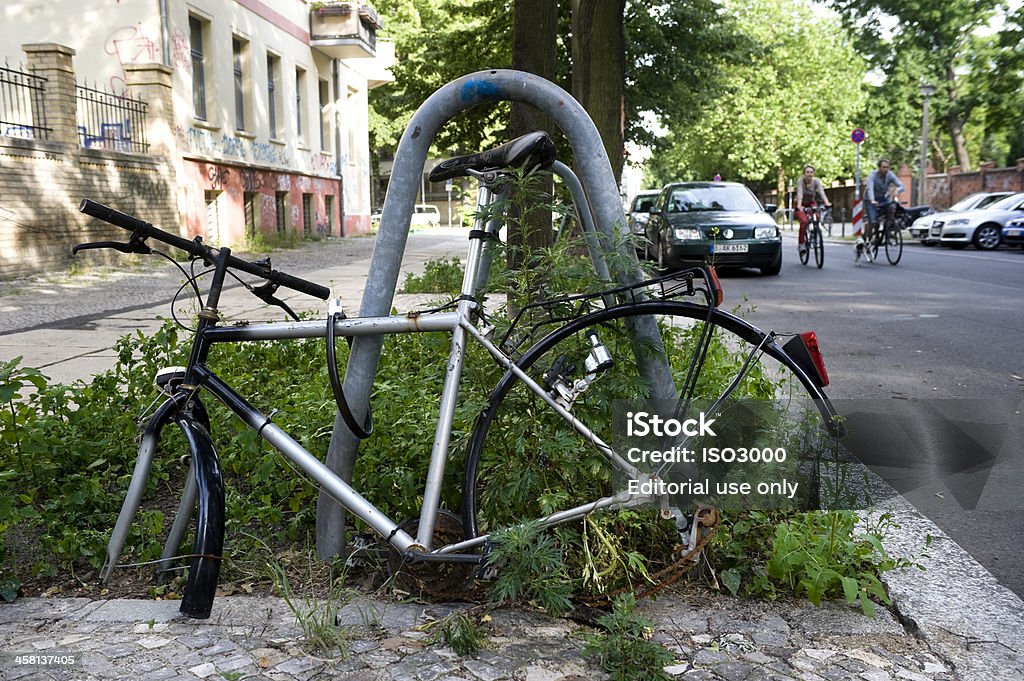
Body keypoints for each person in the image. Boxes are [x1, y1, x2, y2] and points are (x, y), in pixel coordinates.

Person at [860, 158, 904, 262]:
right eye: (883, 167)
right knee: (873, 221)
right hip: (870, 199)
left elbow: (902, 185)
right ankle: (868, 240)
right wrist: (872, 199)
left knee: (892, 206)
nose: (886, 169)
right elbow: (870, 187)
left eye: (887, 167)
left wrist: (898, 190)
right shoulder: (873, 175)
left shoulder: (890, 175)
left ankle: (889, 228)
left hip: (883, 198)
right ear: (879, 167)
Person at [793, 165, 831, 258]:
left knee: (817, 216)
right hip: (799, 203)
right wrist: (799, 206)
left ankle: (814, 234)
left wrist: (827, 203)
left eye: (811, 172)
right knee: (804, 221)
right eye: (807, 172)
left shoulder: (816, 181)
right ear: (804, 174)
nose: (809, 174)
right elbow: (800, 194)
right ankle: (801, 244)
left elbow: (822, 192)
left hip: (811, 202)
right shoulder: (800, 181)